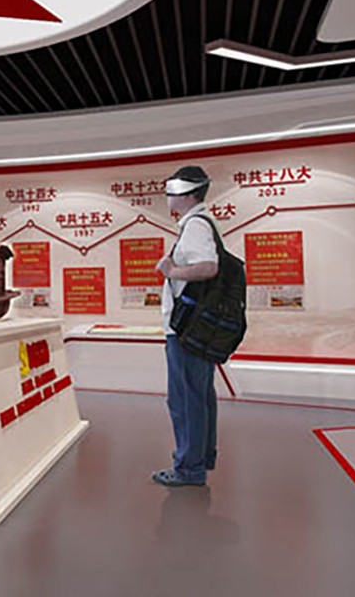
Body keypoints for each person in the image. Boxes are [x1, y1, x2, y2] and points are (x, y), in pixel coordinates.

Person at [152, 165, 221, 487]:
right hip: (196, 327)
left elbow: (208, 267)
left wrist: (171, 271)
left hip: (186, 329)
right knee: (199, 394)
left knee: (184, 399)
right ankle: (199, 456)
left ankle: (189, 467)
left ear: (187, 193)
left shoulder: (195, 225)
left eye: (172, 190)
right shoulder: (202, 223)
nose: (168, 196)